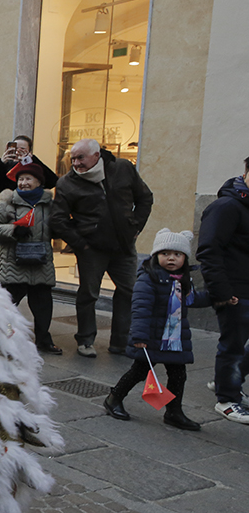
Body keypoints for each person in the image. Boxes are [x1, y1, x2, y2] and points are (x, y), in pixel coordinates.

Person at [50, 139, 153, 358]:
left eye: (81, 158)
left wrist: (136, 227)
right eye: (73, 158)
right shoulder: (67, 183)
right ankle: (85, 340)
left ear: (97, 155)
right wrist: (81, 244)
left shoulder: (123, 168)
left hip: (124, 246)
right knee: (89, 294)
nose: (76, 163)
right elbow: (58, 219)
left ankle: (121, 342)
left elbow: (145, 197)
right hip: (92, 249)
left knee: (128, 292)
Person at [102, 229, 209, 431]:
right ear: (156, 256)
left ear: (184, 258)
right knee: (139, 371)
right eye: (165, 253)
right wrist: (139, 336)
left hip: (174, 338)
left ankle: (174, 412)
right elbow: (141, 308)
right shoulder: (148, 278)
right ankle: (114, 398)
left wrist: (218, 297)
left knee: (179, 375)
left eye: (177, 254)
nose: (171, 258)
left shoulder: (182, 280)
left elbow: (192, 300)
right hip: (152, 336)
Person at [0, 164, 61, 355]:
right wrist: (12, 230)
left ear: (39, 182)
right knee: (5, 305)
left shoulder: (49, 205)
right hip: (13, 264)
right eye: (21, 179)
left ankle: (43, 340)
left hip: (40, 263)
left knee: (43, 305)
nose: (23, 183)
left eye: (28, 179)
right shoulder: (7, 201)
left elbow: (59, 227)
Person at [197, 157, 249, 424]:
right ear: (246, 173)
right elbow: (208, 250)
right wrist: (222, 293)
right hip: (235, 291)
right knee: (233, 346)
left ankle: (226, 380)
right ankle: (227, 401)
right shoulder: (227, 206)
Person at [0, 135, 58, 201]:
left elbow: (52, 181)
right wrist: (1, 163)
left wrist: (31, 160)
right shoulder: (3, 165)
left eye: (22, 149)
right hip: (4, 210)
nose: (18, 151)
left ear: (29, 151)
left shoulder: (33, 165)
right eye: (15, 147)